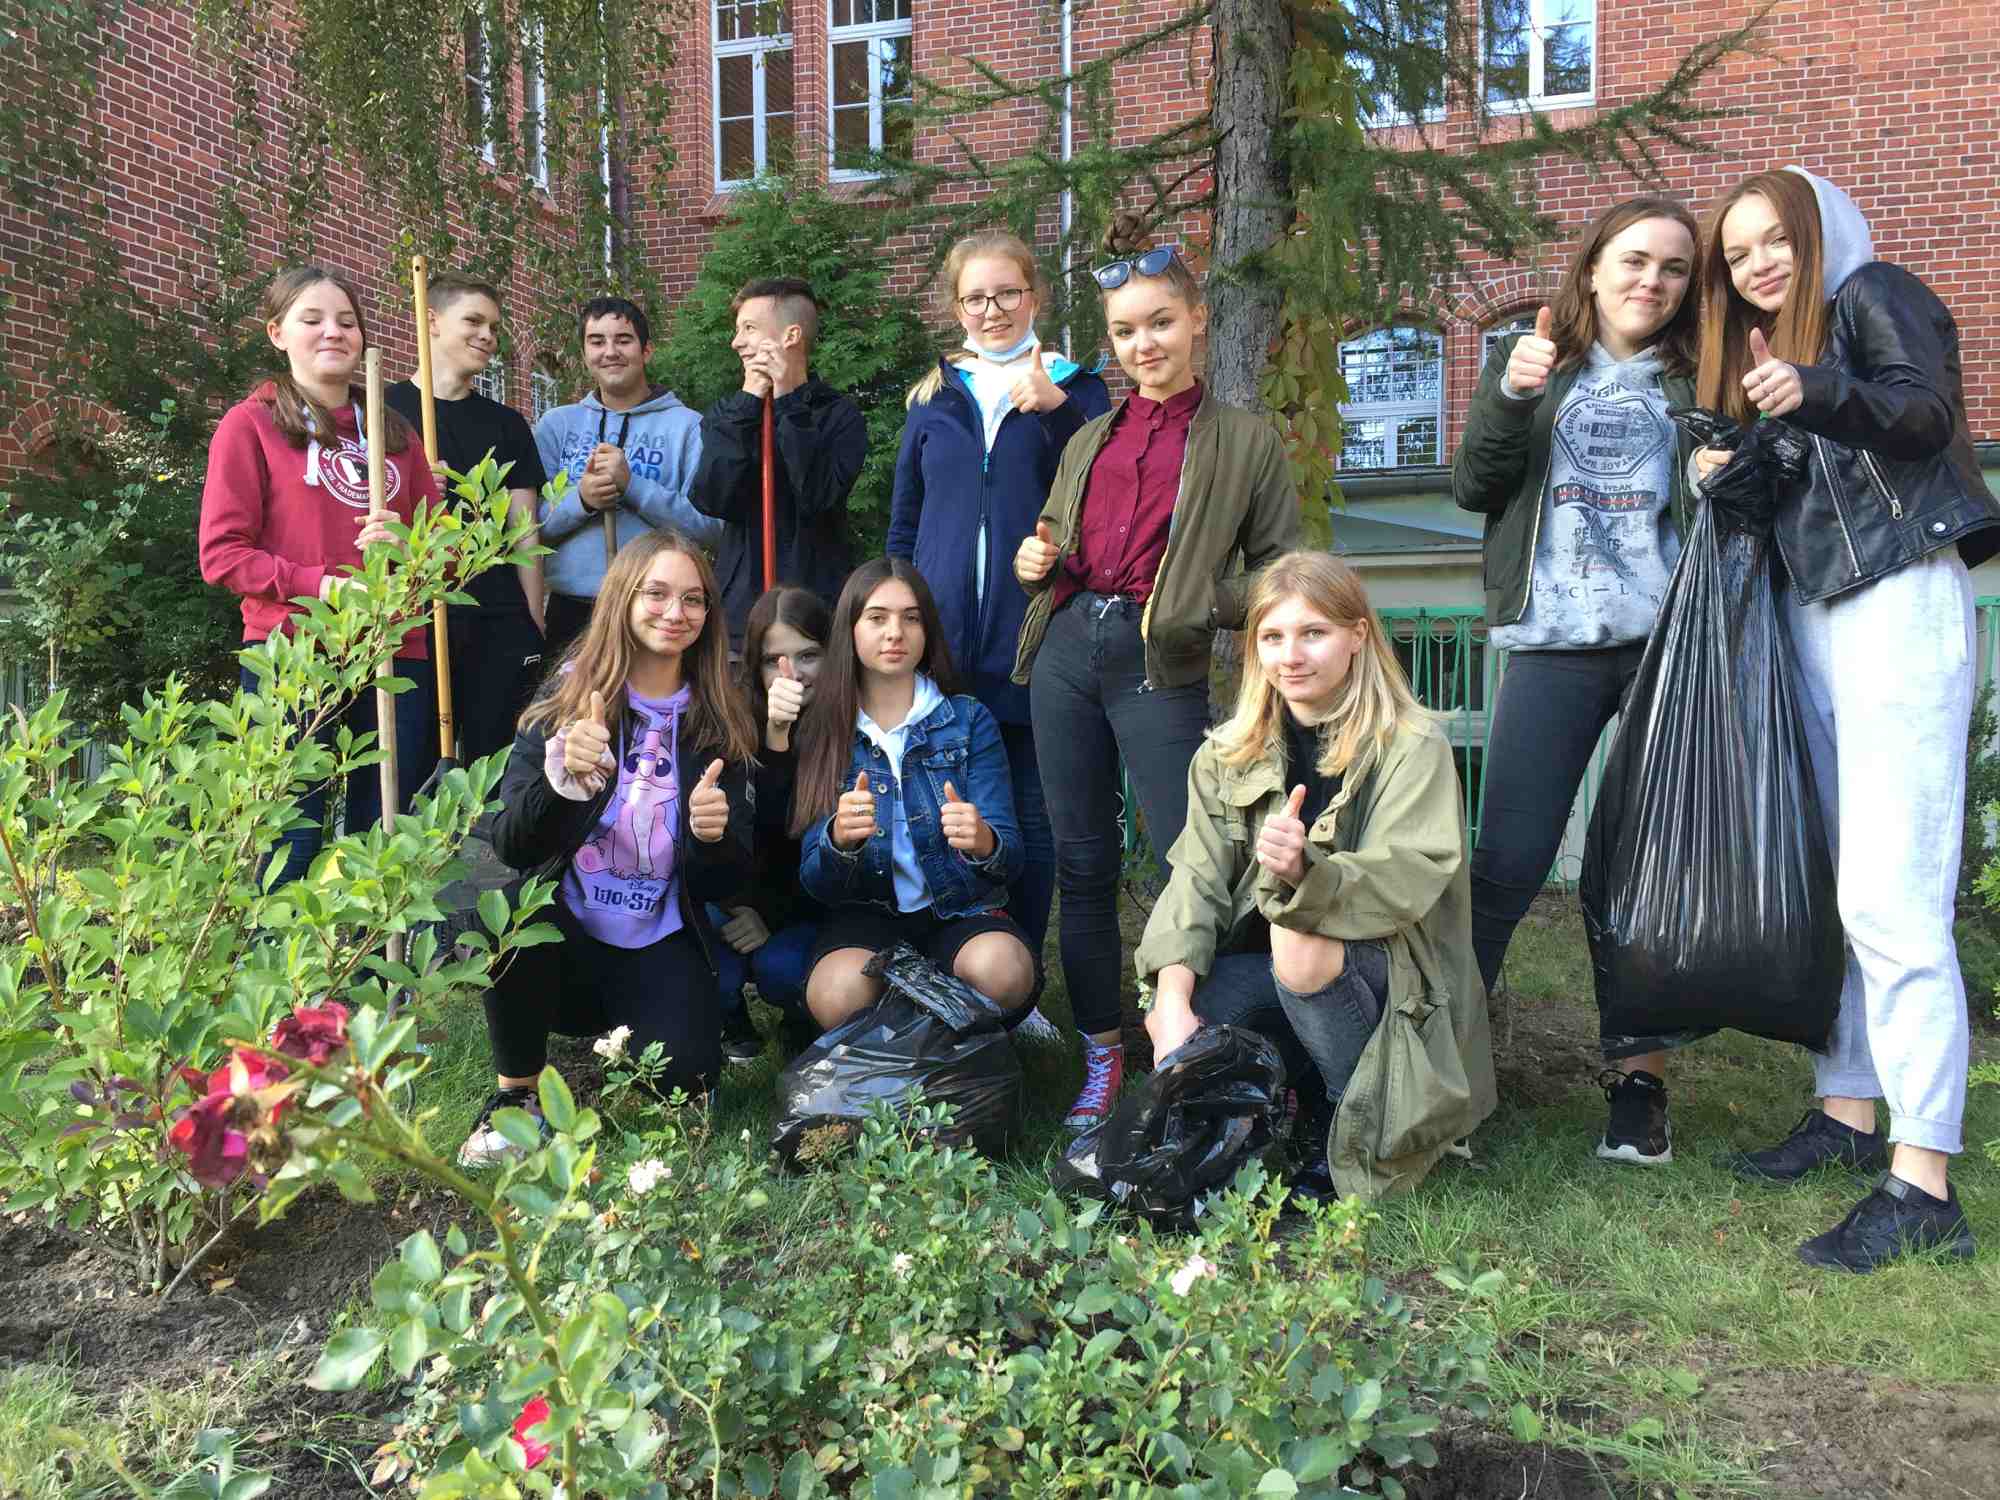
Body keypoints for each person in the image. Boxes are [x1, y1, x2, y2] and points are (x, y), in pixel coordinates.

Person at [1689, 167, 2000, 1271]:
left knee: (1891, 894)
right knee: (1841, 884)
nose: (1757, 265)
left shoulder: (1874, 293)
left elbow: (1923, 415)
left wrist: (1811, 390)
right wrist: (1722, 466)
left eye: (1775, 238)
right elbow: (1793, 506)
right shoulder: (1772, 359)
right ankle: (1848, 1110)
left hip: (1899, 598)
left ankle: (1923, 1182)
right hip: (1818, 616)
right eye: (1737, 254)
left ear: (1819, 232)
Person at [1011, 221, 1300, 1130]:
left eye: (1161, 323)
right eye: (1127, 331)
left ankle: (1204, 1046)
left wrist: (1203, 602)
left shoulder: (1245, 441)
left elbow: (1280, 571)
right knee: (1083, 862)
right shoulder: (1090, 435)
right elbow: (1054, 538)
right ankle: (1102, 1058)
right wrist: (1034, 559)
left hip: (1156, 662)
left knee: (1193, 860)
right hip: (1066, 652)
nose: (1145, 344)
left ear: (1197, 320)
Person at [1450, 195, 1700, 1166]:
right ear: (1592, 267)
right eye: (1633, 260)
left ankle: (1639, 1089)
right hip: (1551, 644)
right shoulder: (1532, 361)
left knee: (1635, 877)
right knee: (1506, 863)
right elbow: (1475, 486)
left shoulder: (1696, 375)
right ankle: (1441, 1074)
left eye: (1673, 268)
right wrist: (1511, 397)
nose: (1651, 280)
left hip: (1662, 652)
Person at [1135, 552, 1495, 1199]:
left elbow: (1407, 877)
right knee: (1200, 1003)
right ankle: (1290, 1097)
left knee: (1297, 940)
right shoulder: (1226, 755)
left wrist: (1308, 873)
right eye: (1273, 637)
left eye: (1313, 633)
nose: (1291, 656)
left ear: (1357, 636)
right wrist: (1171, 1003)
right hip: (1274, 971)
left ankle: (1343, 1123)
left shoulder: (1411, 745)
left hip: (1394, 971)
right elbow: (1195, 882)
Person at [458, 529, 758, 1167]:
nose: (675, 613)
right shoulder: (566, 702)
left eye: (693, 599)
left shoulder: (719, 719)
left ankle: (635, 1034)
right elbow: (513, 845)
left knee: (687, 1081)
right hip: (562, 937)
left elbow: (728, 883)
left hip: (657, 938)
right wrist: (560, 785)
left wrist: (711, 839)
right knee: (507, 915)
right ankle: (517, 1095)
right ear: (622, 598)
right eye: (656, 593)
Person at [888, 229, 1111, 981]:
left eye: (1007, 293)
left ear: (1034, 295)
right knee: (944, 805)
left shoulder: (1077, 390)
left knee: (1030, 814)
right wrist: (902, 620)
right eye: (975, 297)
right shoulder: (934, 396)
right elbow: (905, 523)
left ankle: (1020, 975)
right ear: (957, 307)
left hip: (1033, 642)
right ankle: (945, 966)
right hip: (944, 646)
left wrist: (1056, 412)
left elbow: (1104, 499)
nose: (992, 310)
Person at [198, 264, 440, 886]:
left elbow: (443, 551)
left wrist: (411, 544)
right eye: (313, 319)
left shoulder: (394, 432)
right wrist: (321, 586)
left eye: (347, 321)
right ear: (277, 333)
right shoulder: (250, 424)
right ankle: (282, 953)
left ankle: (367, 954)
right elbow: (222, 554)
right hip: (293, 650)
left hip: (393, 649)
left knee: (382, 830)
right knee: (292, 833)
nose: (333, 331)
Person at [791, 558, 1037, 1034]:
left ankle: (937, 1039)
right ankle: (926, 1033)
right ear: (850, 629)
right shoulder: (823, 728)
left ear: (927, 631)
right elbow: (814, 883)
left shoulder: (967, 719)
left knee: (1003, 971)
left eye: (911, 617)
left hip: (959, 910)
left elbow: (1012, 858)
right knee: (836, 995)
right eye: (877, 617)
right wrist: (838, 841)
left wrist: (984, 842)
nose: (895, 633)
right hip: (866, 916)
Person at [385, 273, 550, 769]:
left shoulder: (507, 424)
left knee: (495, 771)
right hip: (414, 616)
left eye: (494, 328)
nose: (487, 337)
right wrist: (413, 493)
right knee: (412, 770)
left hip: (497, 616)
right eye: (474, 322)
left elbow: (525, 531)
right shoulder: (383, 412)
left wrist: (533, 619)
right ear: (431, 321)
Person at [533, 297, 715, 659]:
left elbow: (711, 528)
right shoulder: (557, 426)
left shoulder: (688, 427)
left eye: (623, 340)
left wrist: (634, 487)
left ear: (646, 351)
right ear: (584, 354)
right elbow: (528, 531)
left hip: (658, 610)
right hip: (572, 609)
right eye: (597, 341)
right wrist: (582, 501)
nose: (610, 351)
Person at [689, 277, 866, 647]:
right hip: (740, 616)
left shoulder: (839, 415)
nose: (736, 342)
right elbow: (711, 497)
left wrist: (788, 402)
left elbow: (818, 495)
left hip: (815, 611)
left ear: (791, 336)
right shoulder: (730, 414)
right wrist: (749, 402)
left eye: (749, 329)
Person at [710, 585, 832, 1062]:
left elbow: (804, 845)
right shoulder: (731, 723)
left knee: (782, 967)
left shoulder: (851, 726)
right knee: (708, 938)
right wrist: (774, 738)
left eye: (808, 656)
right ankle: (726, 1013)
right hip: (740, 895)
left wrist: (772, 916)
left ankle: (803, 1014)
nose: (791, 673)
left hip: (812, 908)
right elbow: (738, 839)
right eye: (772, 660)